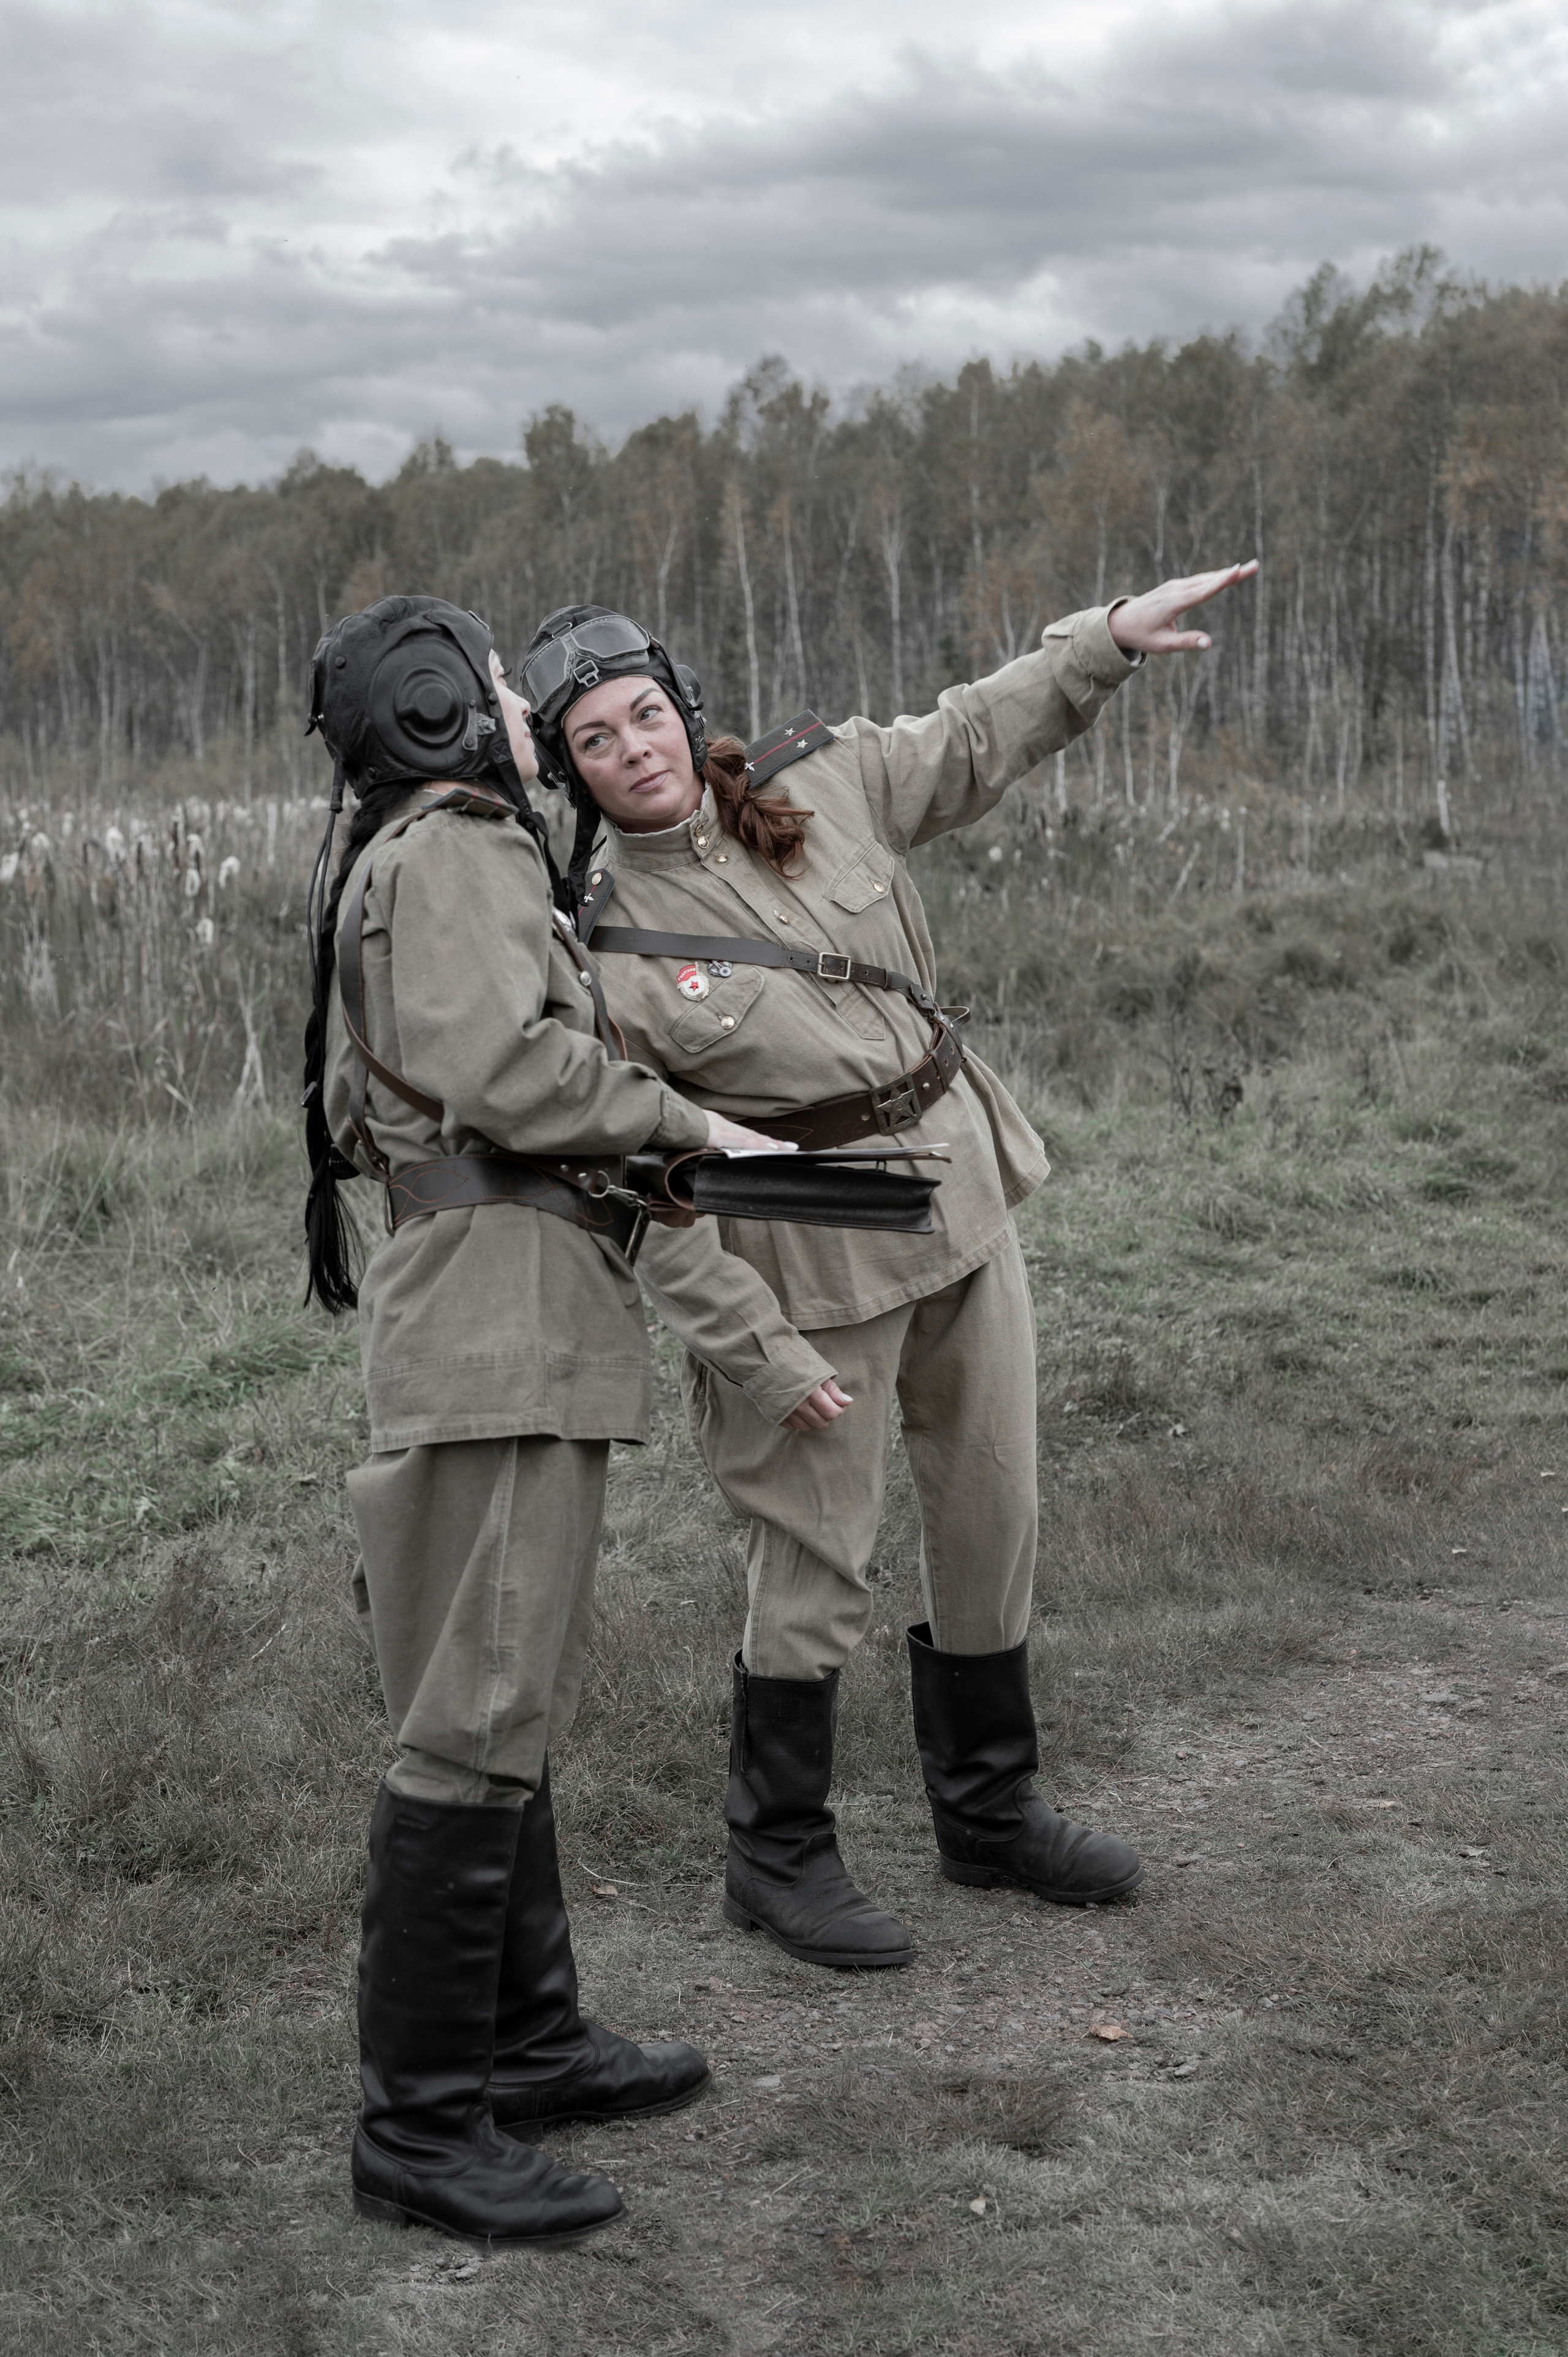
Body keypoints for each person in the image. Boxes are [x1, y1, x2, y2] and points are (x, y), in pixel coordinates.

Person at [517, 564, 1257, 1974]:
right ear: (570, 772)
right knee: (814, 1561)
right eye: (592, 742)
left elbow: (975, 736)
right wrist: (754, 1348)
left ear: (680, 704)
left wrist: (1099, 643)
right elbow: (648, 1184)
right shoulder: (599, 949)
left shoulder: (824, 784)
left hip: (961, 1195)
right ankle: (777, 1856)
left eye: (640, 715)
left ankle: (990, 1811)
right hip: (807, 1254)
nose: (631, 751)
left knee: (991, 1513)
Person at [301, 593, 784, 2246]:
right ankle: (424, 2132)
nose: (526, 715)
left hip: (510, 1301)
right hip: (494, 1313)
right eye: (504, 692)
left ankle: (527, 2042)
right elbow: (506, 1070)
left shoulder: (431, 848)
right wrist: (681, 1112)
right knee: (474, 1707)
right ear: (440, 713)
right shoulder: (456, 850)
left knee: (500, 1688)